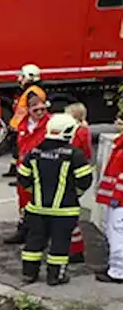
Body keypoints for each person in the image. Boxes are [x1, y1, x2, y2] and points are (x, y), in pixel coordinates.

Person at [16, 113, 95, 286]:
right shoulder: (74, 154)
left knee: (34, 241)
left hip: (37, 209)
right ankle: (55, 276)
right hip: (64, 211)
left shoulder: (34, 152)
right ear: (68, 132)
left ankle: (29, 273)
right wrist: (75, 194)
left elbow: (22, 178)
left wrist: (35, 191)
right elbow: (85, 181)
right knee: (60, 244)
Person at [4, 95, 50, 245]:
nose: (40, 112)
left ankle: (39, 234)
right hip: (25, 169)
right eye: (36, 110)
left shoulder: (50, 124)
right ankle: (23, 229)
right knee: (24, 201)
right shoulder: (23, 124)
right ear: (29, 110)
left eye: (42, 109)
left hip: (42, 169)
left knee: (40, 201)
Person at [5, 64, 47, 178]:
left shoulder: (33, 93)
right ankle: (14, 171)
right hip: (21, 125)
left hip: (26, 127)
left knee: (23, 151)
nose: (19, 79)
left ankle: (22, 175)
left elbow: (33, 112)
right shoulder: (30, 91)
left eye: (23, 76)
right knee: (17, 150)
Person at [65, 102, 92, 264]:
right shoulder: (81, 130)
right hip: (74, 173)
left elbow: (82, 151)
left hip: (74, 174)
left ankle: (76, 250)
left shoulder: (80, 131)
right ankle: (74, 248)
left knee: (70, 213)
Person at [97, 119, 123, 284]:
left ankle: (118, 272)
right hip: (117, 200)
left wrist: (115, 199)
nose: (117, 123)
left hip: (120, 201)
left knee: (118, 236)